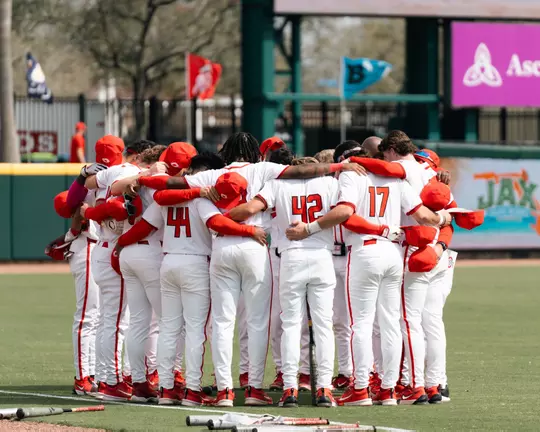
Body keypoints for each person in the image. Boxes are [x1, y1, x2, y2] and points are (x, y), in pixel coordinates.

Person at [128, 132, 366, 407]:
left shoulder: (211, 175)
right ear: (254, 153)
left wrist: (141, 178)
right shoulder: (263, 170)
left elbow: (170, 184)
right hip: (256, 245)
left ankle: (224, 391)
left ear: (227, 152)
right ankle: (254, 389)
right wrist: (339, 166)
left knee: (221, 324)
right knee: (258, 322)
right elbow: (303, 170)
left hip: (220, 249)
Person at [286, 141, 452, 406]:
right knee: (391, 323)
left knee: (360, 324)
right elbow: (424, 216)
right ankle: (389, 390)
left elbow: (343, 213)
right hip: (394, 253)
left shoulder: (352, 174)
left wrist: (308, 229)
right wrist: (444, 219)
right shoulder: (395, 179)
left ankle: (361, 388)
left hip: (364, 251)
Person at [227, 156, 340, 407]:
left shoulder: (278, 183)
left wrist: (221, 217)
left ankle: (290, 388)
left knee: (290, 324)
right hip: (321, 255)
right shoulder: (329, 184)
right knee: (323, 326)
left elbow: (249, 210)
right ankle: (324, 388)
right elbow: (345, 212)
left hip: (291, 256)